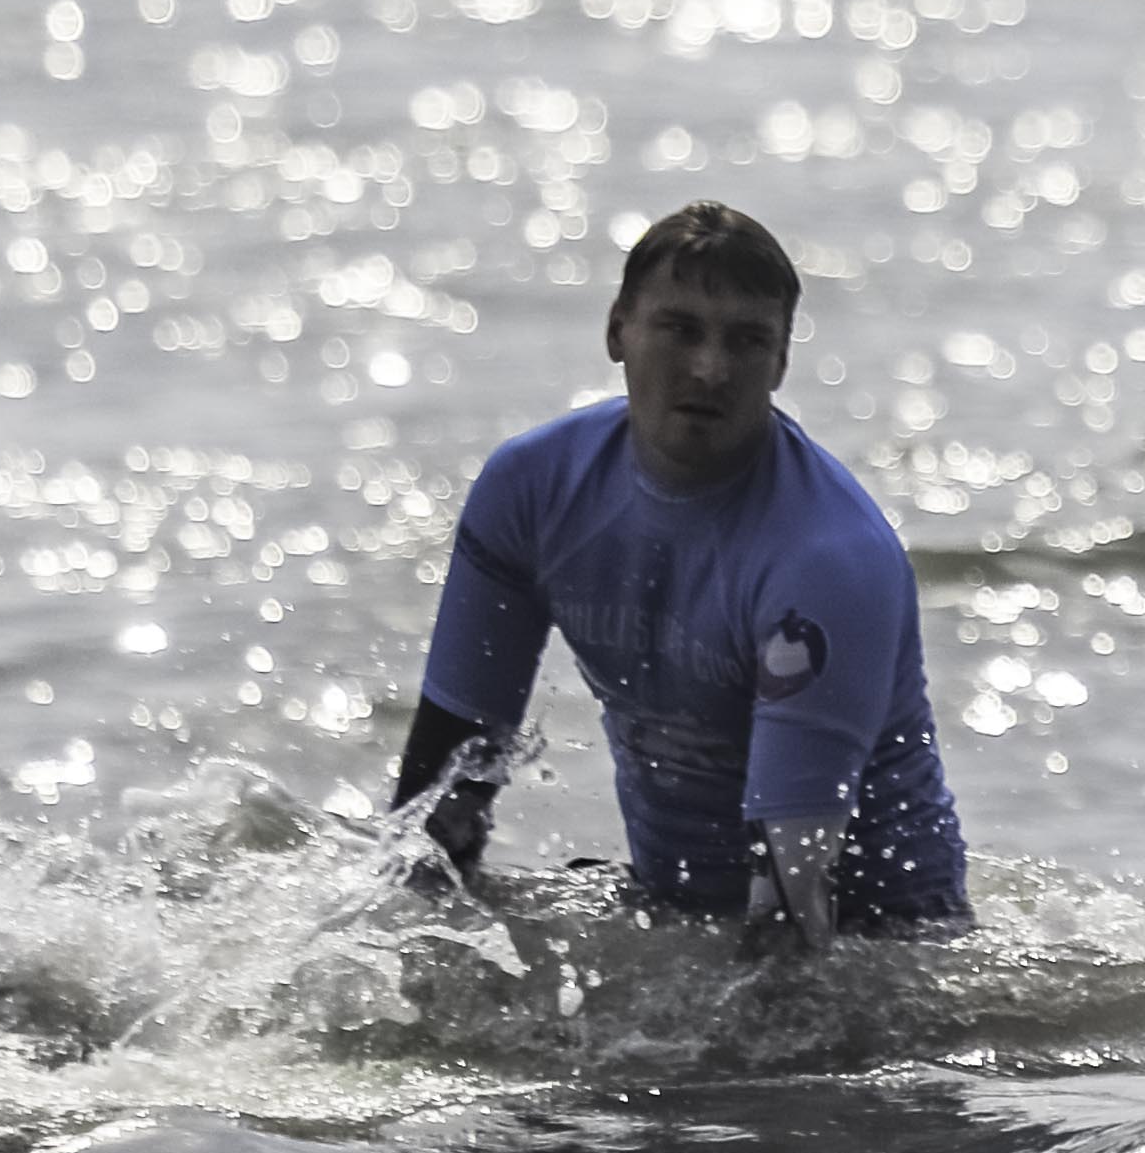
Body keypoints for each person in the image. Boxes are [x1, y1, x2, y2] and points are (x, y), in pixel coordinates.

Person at [389, 200, 968, 945]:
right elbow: (439, 803)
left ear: (782, 363)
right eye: (680, 329)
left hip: (882, 948)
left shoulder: (827, 561)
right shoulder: (531, 490)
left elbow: (795, 918)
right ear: (617, 330)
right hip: (677, 917)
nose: (710, 368)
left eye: (747, 341)